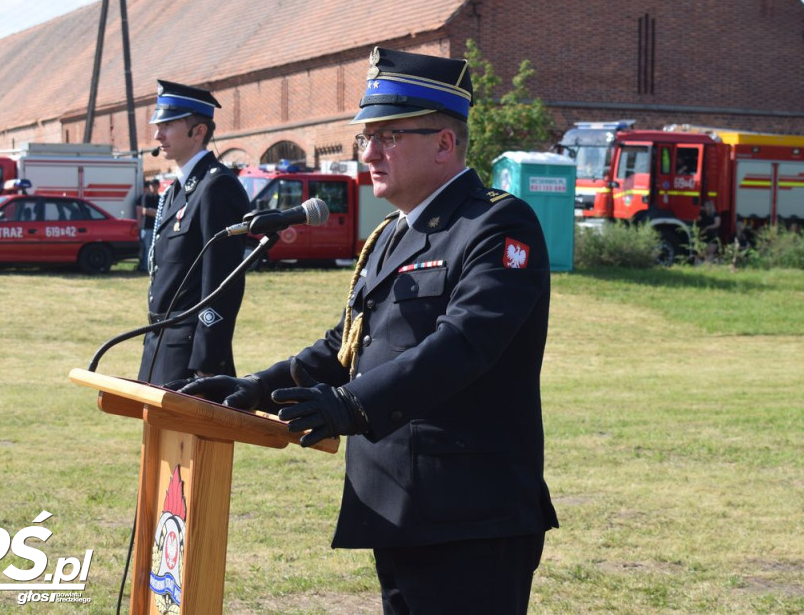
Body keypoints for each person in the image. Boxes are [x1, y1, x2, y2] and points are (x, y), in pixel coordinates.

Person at [181, 47, 558, 613]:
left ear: (444, 143)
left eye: (387, 136)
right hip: (396, 503)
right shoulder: (390, 235)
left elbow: (463, 345)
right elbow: (347, 343)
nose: (369, 153)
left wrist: (350, 407)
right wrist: (258, 388)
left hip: (471, 511)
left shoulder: (497, 223)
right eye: (364, 138)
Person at [138, 80, 250, 386]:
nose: (158, 134)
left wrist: (207, 363)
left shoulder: (216, 187)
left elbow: (221, 282)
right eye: (157, 125)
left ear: (198, 131)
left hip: (191, 360)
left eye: (168, 124)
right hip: (160, 349)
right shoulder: (178, 189)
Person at [134, 179, 159, 273]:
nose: (152, 187)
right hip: (146, 227)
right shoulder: (145, 197)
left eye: (154, 185)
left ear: (157, 186)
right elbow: (144, 211)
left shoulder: (160, 198)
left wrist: (151, 211)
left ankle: (153, 266)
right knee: (147, 248)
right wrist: (155, 212)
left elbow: (161, 212)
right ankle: (146, 267)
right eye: (151, 186)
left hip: (156, 227)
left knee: (155, 248)